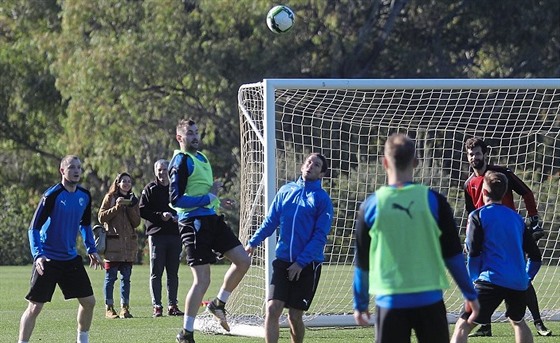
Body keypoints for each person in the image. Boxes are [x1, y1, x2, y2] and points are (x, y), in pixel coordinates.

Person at [353, 133, 479, 343]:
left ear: (384, 163)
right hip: (429, 301)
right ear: (416, 162)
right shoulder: (434, 201)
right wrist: (470, 294)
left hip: (389, 302)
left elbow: (362, 262)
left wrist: (360, 302)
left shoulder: (371, 205)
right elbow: (453, 255)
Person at [171, 119, 251, 343]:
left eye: (196, 133)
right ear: (180, 138)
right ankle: (185, 333)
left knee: (243, 260)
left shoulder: (202, 158)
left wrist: (217, 201)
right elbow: (176, 199)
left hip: (211, 219)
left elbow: (206, 194)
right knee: (202, 280)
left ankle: (218, 304)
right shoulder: (180, 161)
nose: (195, 137)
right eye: (189, 133)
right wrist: (210, 197)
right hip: (192, 223)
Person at [463, 137, 551, 337]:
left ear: (485, 154)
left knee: (520, 276)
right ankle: (485, 326)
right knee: (485, 282)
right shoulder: (468, 183)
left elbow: (527, 194)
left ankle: (538, 322)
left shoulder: (501, 175)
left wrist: (533, 219)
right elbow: (471, 214)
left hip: (510, 233)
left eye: (477, 153)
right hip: (485, 237)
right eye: (471, 154)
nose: (474, 157)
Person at [245, 153, 334, 343]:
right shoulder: (286, 191)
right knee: (272, 308)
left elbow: (320, 236)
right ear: (303, 166)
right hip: (283, 261)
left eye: (317, 165)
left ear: (321, 174)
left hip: (308, 265)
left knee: (295, 316)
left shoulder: (322, 199)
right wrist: (253, 243)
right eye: (309, 162)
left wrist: (301, 263)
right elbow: (270, 221)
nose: (311, 166)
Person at [451, 171, 542, 343]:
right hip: (517, 282)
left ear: (483, 192)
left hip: (490, 280)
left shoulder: (477, 215)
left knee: (463, 325)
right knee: (518, 321)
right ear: (505, 192)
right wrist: (526, 277)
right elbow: (536, 256)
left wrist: (473, 280)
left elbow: (473, 252)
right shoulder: (517, 219)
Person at [18, 155, 102, 343]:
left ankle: (82, 340)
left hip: (70, 258)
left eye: (79, 167)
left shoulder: (84, 196)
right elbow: (34, 227)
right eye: (72, 167)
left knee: (89, 303)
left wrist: (91, 248)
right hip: (47, 259)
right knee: (34, 308)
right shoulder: (52, 195)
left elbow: (86, 225)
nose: (77, 171)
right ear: (62, 171)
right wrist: (38, 255)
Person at [139, 159, 185, 317]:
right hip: (157, 236)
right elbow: (142, 211)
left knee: (173, 272)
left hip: (175, 235)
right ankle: (157, 306)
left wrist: (179, 217)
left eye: (165, 169)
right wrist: (160, 216)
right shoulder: (150, 189)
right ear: (155, 172)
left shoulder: (176, 188)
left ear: (170, 170)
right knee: (156, 272)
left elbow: (185, 207)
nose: (162, 173)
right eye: (159, 170)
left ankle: (173, 305)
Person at [98, 172, 141, 319]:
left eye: (129, 181)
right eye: (123, 181)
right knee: (110, 278)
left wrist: (128, 207)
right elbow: (101, 217)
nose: (126, 183)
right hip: (112, 245)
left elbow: (136, 222)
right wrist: (116, 207)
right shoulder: (110, 198)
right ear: (118, 183)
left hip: (128, 246)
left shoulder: (134, 201)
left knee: (126, 279)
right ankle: (109, 308)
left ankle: (125, 308)